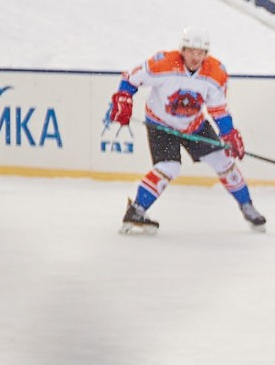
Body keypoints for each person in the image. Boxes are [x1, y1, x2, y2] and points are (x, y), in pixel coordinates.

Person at [108, 26, 265, 232]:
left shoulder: (215, 73)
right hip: (161, 125)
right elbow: (130, 78)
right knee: (169, 167)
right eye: (191, 51)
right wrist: (123, 97)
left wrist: (229, 134)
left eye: (200, 52)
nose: (196, 57)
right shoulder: (163, 63)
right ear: (182, 50)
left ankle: (247, 205)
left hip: (194, 125)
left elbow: (218, 109)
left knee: (224, 161)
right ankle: (136, 210)